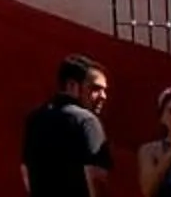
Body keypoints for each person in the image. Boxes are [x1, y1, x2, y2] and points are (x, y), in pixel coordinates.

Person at [24, 54, 115, 197]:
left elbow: (26, 172)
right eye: (95, 89)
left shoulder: (35, 118)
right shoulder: (87, 121)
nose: (103, 96)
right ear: (72, 85)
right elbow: (97, 179)